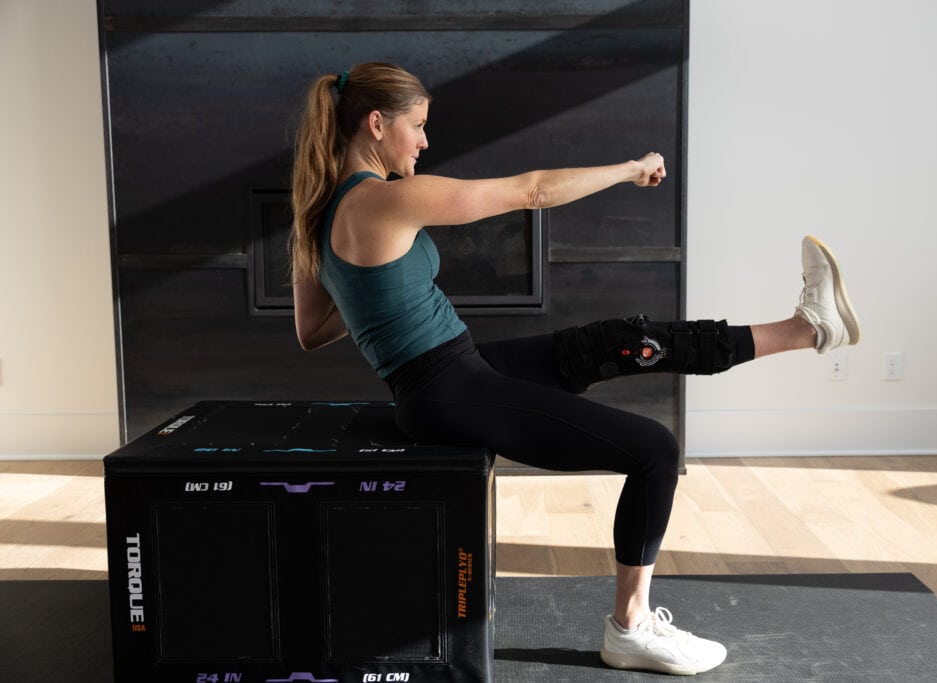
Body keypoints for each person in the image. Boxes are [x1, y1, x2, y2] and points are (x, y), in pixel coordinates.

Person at [289, 62, 860, 677]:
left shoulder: (318, 213)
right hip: (446, 389)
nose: (425, 141)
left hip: (454, 368)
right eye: (418, 126)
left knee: (616, 342)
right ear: (377, 125)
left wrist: (373, 292)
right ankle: (631, 626)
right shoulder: (388, 199)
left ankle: (809, 328)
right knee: (655, 450)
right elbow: (531, 190)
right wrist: (630, 168)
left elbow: (312, 330)